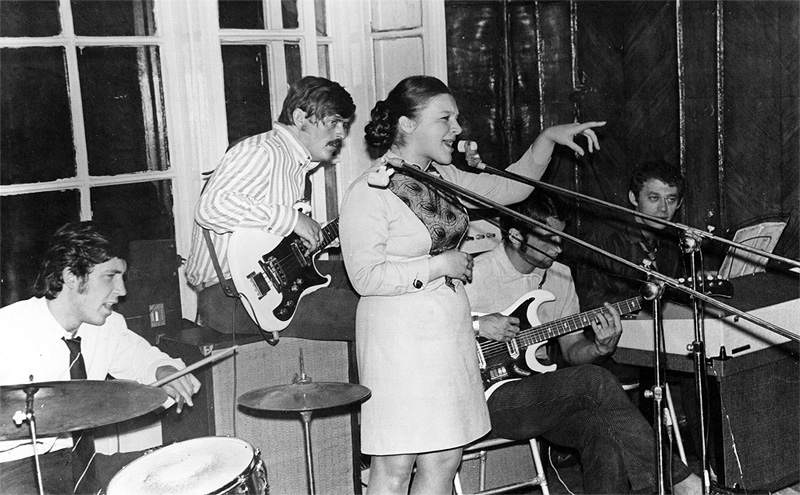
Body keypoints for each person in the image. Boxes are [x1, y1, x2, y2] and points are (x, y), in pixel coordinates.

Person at [339, 74, 605, 494]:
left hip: (448, 336)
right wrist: (438, 265)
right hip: (400, 343)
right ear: (407, 124)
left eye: (457, 118)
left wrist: (547, 140)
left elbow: (508, 189)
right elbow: (365, 276)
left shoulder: (440, 177)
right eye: (444, 119)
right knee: (394, 464)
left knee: (444, 458)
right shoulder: (370, 191)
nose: (457, 128)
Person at [464, 191, 701, 494]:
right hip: (482, 401)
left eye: (561, 237)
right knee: (594, 379)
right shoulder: (474, 275)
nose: (558, 247)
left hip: (537, 393)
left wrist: (599, 347)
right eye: (548, 238)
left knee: (603, 429)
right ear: (515, 235)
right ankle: (679, 481)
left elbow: (572, 350)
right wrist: (476, 326)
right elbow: (427, 334)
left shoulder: (560, 276)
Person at [0, 221, 201, 495]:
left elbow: (144, 359)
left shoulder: (107, 327)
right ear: (71, 276)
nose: (122, 290)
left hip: (80, 463)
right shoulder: (7, 331)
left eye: (122, 277)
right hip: (12, 468)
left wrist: (163, 370)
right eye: (110, 276)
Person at [185, 75, 356, 334]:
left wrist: (334, 232)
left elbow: (275, 237)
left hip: (274, 283)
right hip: (228, 297)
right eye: (333, 122)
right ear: (300, 118)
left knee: (364, 277)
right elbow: (211, 208)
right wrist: (292, 219)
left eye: (344, 125)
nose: (341, 134)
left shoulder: (295, 166)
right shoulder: (262, 151)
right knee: (367, 312)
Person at [573, 159, 686, 313]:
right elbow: (589, 303)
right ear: (633, 198)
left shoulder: (673, 242)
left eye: (671, 200)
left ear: (679, 203)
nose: (663, 208)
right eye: (654, 198)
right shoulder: (605, 239)